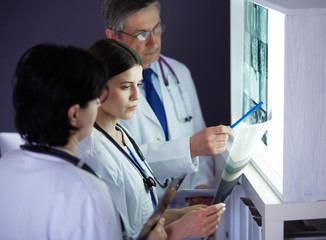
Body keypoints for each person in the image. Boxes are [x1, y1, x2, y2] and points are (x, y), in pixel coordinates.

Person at [0, 43, 166, 240]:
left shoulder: (5, 164)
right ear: (75, 114)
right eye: (94, 97)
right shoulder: (88, 192)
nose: (98, 102)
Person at [78, 38, 226, 240]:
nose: (136, 96)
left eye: (138, 84)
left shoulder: (119, 133)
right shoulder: (96, 157)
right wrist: (177, 231)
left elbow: (136, 220)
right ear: (97, 87)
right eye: (125, 86)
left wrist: (180, 215)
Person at [102, 0, 234, 193]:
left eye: (157, 28)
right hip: (141, 211)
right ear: (113, 36)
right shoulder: (101, 90)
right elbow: (124, 161)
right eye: (142, 34)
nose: (153, 42)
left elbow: (201, 141)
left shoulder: (179, 73)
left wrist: (201, 187)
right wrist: (190, 148)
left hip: (186, 203)